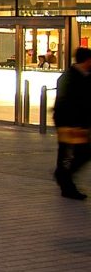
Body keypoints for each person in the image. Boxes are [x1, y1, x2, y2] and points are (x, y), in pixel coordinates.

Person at [53, 47, 91, 200]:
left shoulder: (85, 76)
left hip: (78, 123)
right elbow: (66, 103)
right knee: (75, 152)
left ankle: (63, 177)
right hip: (70, 123)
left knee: (75, 152)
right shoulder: (69, 78)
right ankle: (64, 179)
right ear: (87, 60)